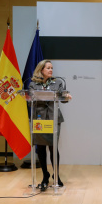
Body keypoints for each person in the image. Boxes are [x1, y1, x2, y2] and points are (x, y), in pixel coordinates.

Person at [29, 60, 72, 191]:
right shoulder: (33, 84)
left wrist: (66, 97)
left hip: (53, 118)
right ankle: (45, 175)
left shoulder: (57, 82)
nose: (51, 70)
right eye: (48, 68)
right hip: (39, 119)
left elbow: (62, 99)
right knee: (41, 147)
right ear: (41, 69)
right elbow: (30, 100)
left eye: (52, 68)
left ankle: (56, 176)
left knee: (53, 147)